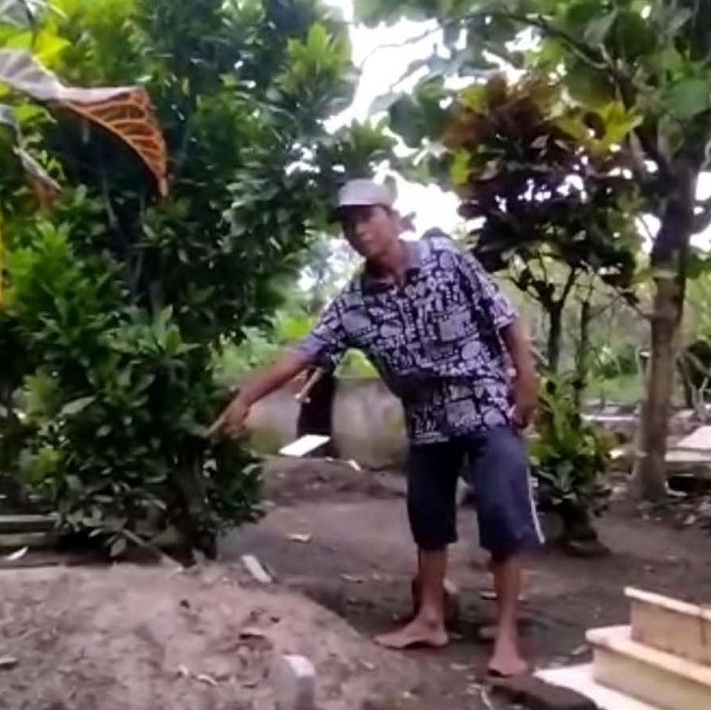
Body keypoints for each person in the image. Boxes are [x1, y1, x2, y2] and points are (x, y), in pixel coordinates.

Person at [212, 179, 541, 677]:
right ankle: (430, 618)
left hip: (484, 402)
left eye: (367, 217)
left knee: (501, 509)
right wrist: (244, 399)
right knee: (428, 518)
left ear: (393, 216)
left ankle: (508, 636)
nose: (359, 230)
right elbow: (302, 354)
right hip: (427, 419)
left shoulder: (447, 261)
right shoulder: (354, 304)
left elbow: (505, 318)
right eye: (349, 224)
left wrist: (526, 381)